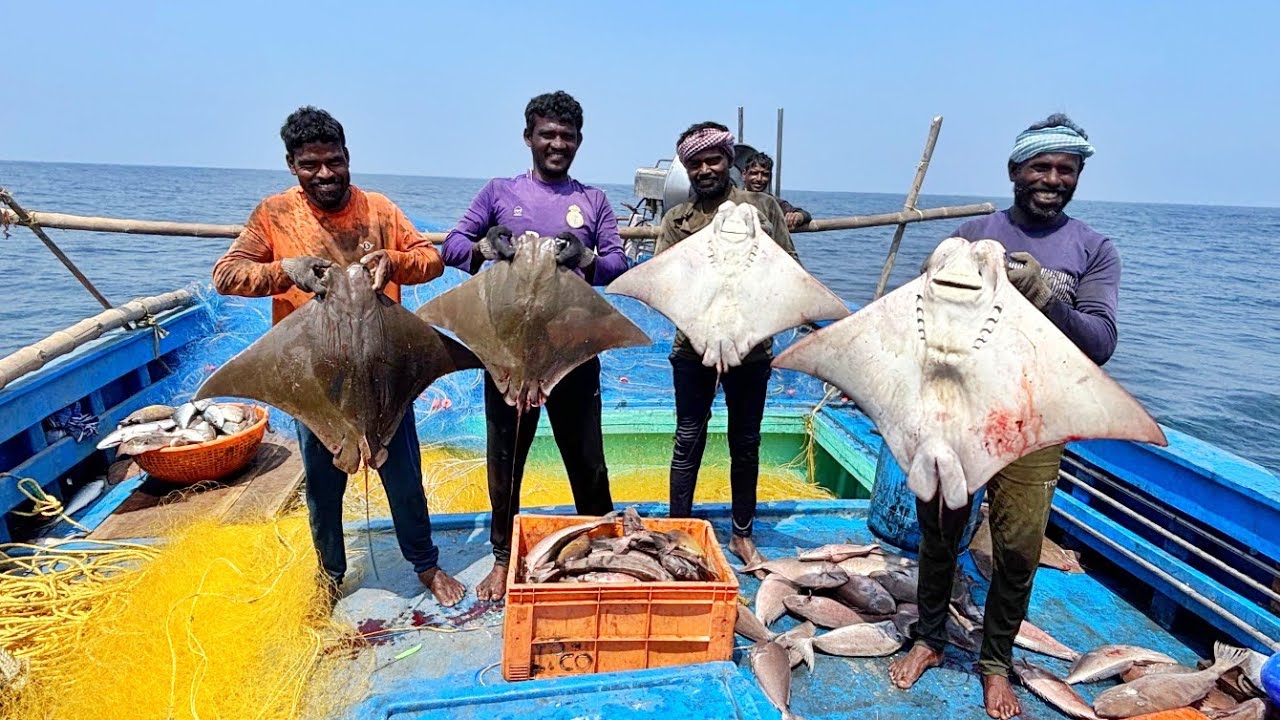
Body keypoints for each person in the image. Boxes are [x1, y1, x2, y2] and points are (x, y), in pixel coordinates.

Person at [888, 113, 1117, 720]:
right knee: (940, 528)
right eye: (1041, 167)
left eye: (1066, 170)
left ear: (1077, 177)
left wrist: (1045, 294)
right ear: (1016, 171)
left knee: (1017, 546)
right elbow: (918, 326)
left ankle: (995, 663)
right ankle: (929, 638)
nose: (1053, 179)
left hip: (1032, 416)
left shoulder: (1093, 249)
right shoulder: (970, 234)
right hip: (958, 412)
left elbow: (1099, 343)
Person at [211, 106, 465, 608]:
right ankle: (329, 576)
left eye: (334, 161)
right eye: (311, 165)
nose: (325, 174)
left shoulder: (379, 210)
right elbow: (227, 274)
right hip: (315, 380)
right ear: (292, 166)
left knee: (404, 478)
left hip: (385, 372)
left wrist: (393, 261)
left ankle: (426, 564)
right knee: (323, 492)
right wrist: (286, 270)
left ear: (348, 157)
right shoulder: (275, 215)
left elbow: (432, 260)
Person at [439, 90, 627, 601]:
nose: (557, 144)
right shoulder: (499, 192)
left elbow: (618, 264)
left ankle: (605, 546)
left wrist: (586, 257)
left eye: (567, 136)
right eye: (548, 134)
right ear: (529, 138)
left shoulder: (593, 201)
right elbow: (451, 245)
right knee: (506, 457)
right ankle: (503, 557)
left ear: (579, 142)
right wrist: (483, 246)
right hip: (508, 352)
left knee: (587, 459)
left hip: (572, 351)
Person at [655, 122, 800, 571]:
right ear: (686, 168)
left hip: (751, 346)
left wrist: (750, 324)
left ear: (728, 161)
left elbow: (789, 271)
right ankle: (679, 529)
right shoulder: (676, 220)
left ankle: (742, 534)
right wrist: (703, 328)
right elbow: (663, 281)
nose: (705, 169)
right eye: (695, 163)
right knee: (688, 437)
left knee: (746, 440)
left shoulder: (762, 208)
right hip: (692, 346)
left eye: (713, 160)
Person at [741, 152, 811, 230]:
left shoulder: (772, 202)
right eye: (754, 173)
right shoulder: (734, 197)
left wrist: (798, 216)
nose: (759, 179)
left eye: (765, 174)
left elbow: (805, 214)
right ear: (744, 174)